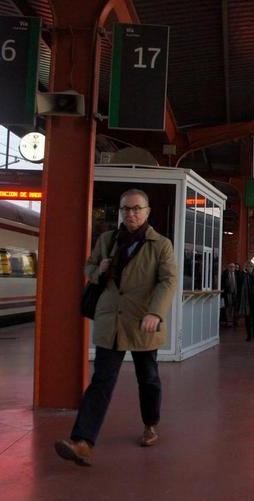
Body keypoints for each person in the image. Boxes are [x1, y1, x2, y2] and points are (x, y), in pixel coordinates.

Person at [55, 188, 177, 467]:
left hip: (143, 321)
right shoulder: (107, 239)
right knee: (101, 381)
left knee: (148, 378)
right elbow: (89, 267)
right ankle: (83, 442)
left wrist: (156, 313)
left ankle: (150, 423)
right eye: (125, 209)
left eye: (136, 209)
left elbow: (167, 281)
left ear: (147, 212)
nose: (130, 214)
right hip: (112, 321)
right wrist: (99, 270)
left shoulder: (161, 244)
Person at [237, 261, 254, 342]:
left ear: (253, 267)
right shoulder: (243, 276)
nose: (250, 268)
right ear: (246, 268)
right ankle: (249, 336)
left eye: (251, 266)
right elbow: (240, 285)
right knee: (247, 318)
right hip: (246, 299)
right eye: (248, 266)